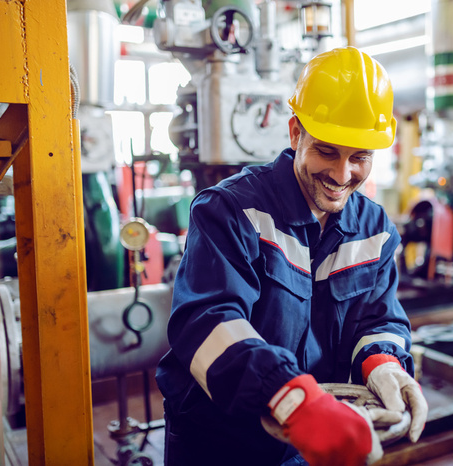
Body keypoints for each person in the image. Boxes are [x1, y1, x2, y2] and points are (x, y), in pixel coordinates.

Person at [156, 46, 428, 466]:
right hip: (220, 443)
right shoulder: (230, 211)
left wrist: (383, 362)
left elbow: (378, 319)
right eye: (327, 151)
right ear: (296, 133)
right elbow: (207, 324)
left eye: (359, 157)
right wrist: (292, 398)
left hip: (314, 440)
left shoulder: (374, 229)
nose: (342, 175)